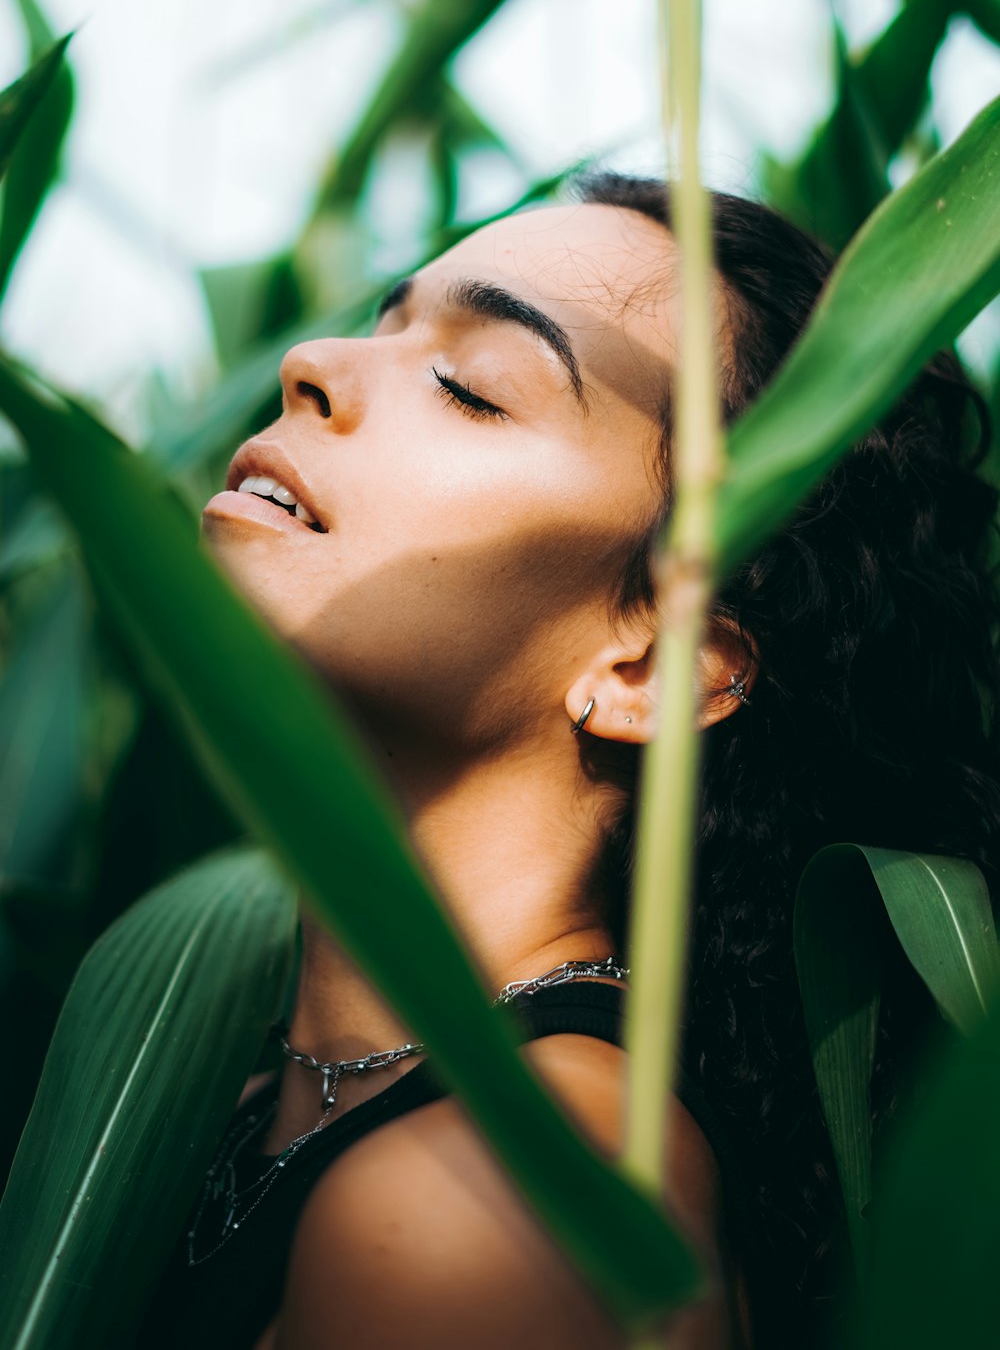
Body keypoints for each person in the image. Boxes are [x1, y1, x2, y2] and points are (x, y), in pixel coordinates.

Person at [135, 175, 1000, 1350]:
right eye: (385, 323)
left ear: (653, 668)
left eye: (468, 387)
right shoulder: (232, 1102)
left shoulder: (484, 1211)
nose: (308, 361)